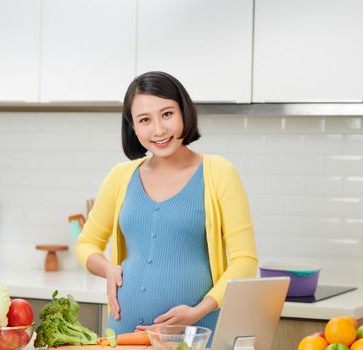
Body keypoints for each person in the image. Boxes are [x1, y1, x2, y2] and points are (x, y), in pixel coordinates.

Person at [75, 71, 258, 339]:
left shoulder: (219, 173)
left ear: (184, 112)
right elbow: (86, 243)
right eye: (145, 120)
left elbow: (245, 260)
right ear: (133, 127)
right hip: (124, 333)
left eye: (167, 114)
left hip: (194, 334)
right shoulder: (120, 176)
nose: (158, 130)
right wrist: (108, 269)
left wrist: (197, 311)